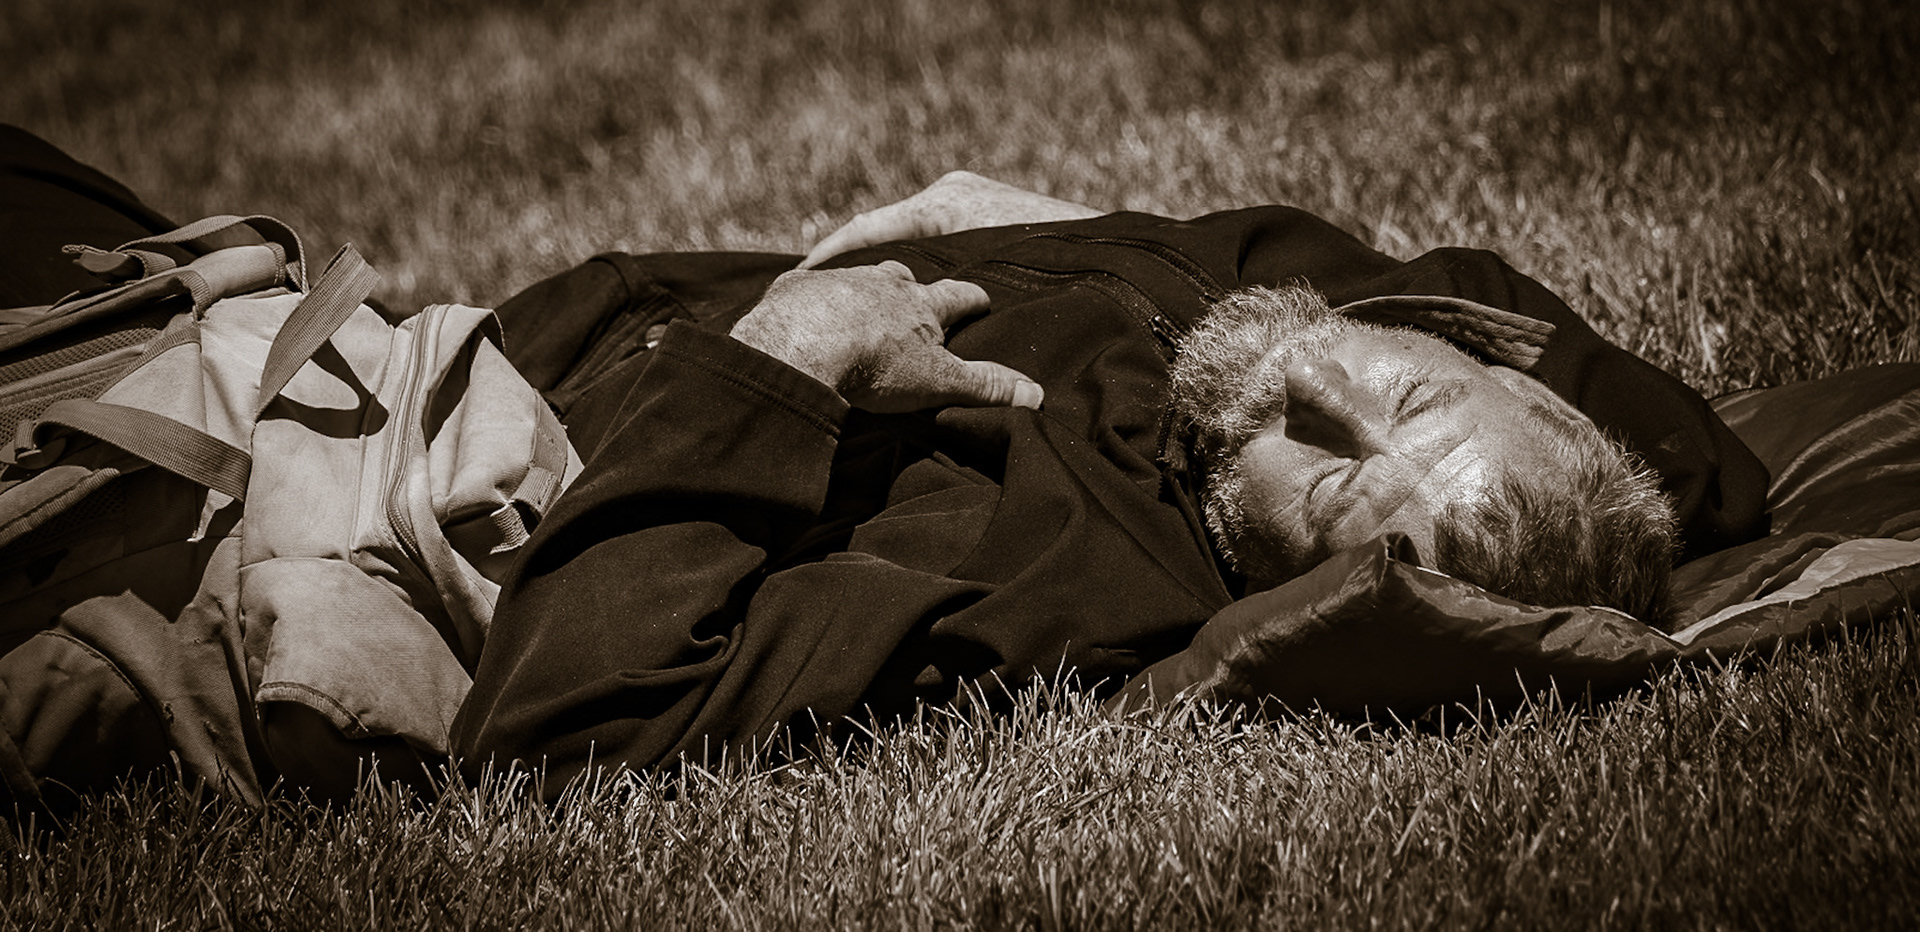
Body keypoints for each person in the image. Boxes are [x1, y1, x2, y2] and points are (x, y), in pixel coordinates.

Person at [449, 171, 1769, 791]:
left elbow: (563, 732)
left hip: (473, 401)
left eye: (1325, 488)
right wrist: (1075, 225)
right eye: (1417, 393)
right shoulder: (1340, 319)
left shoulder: (1051, 574)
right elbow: (1711, 467)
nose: (1321, 387)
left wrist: (782, 362)